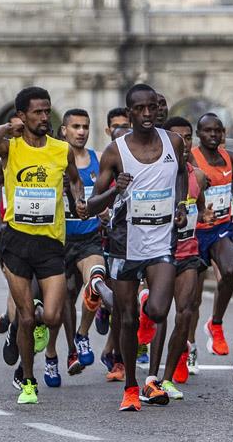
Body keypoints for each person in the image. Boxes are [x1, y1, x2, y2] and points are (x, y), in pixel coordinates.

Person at [0, 86, 88, 405]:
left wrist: (79, 199)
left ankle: (38, 318)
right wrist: (8, 127)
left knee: (53, 316)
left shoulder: (61, 149)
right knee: (25, 318)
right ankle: (28, 380)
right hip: (17, 241)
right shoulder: (10, 148)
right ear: (22, 116)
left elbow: (74, 179)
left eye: (47, 110)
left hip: (51, 242)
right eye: (38, 112)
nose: (45, 117)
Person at [88, 83, 188, 411]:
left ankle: (145, 303)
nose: (148, 114)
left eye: (153, 108)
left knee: (158, 311)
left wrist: (181, 203)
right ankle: (131, 386)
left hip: (161, 241)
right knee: (126, 318)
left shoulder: (173, 141)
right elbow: (91, 205)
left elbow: (181, 173)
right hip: (123, 244)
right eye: (140, 109)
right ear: (129, 113)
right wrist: (114, 190)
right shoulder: (116, 152)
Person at [44, 108, 111, 385]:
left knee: (96, 279)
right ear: (64, 130)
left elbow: (107, 194)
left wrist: (105, 208)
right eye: (75, 127)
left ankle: (82, 335)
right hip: (58, 240)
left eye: (85, 126)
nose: (81, 131)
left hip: (88, 238)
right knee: (58, 307)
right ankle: (51, 354)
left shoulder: (98, 160)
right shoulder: (51, 158)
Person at [151, 116, 205, 401]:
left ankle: (168, 377)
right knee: (159, 315)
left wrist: (204, 215)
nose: (184, 143)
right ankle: (151, 377)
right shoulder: (155, 172)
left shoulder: (198, 176)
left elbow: (202, 204)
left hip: (189, 252)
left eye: (188, 137)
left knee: (185, 312)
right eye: (178, 137)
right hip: (159, 254)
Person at [190, 112, 233, 361]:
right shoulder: (191, 159)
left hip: (221, 227)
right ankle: (187, 348)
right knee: (190, 300)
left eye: (217, 130)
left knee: (229, 272)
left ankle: (216, 323)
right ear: (198, 134)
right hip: (194, 232)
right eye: (207, 131)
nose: (213, 135)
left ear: (223, 132)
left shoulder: (230, 157)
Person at [98, 107, 131, 382]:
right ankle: (117, 356)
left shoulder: (148, 158)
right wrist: (107, 207)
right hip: (112, 241)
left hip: (144, 240)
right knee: (121, 304)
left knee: (130, 304)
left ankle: (116, 351)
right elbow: (94, 199)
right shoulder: (107, 162)